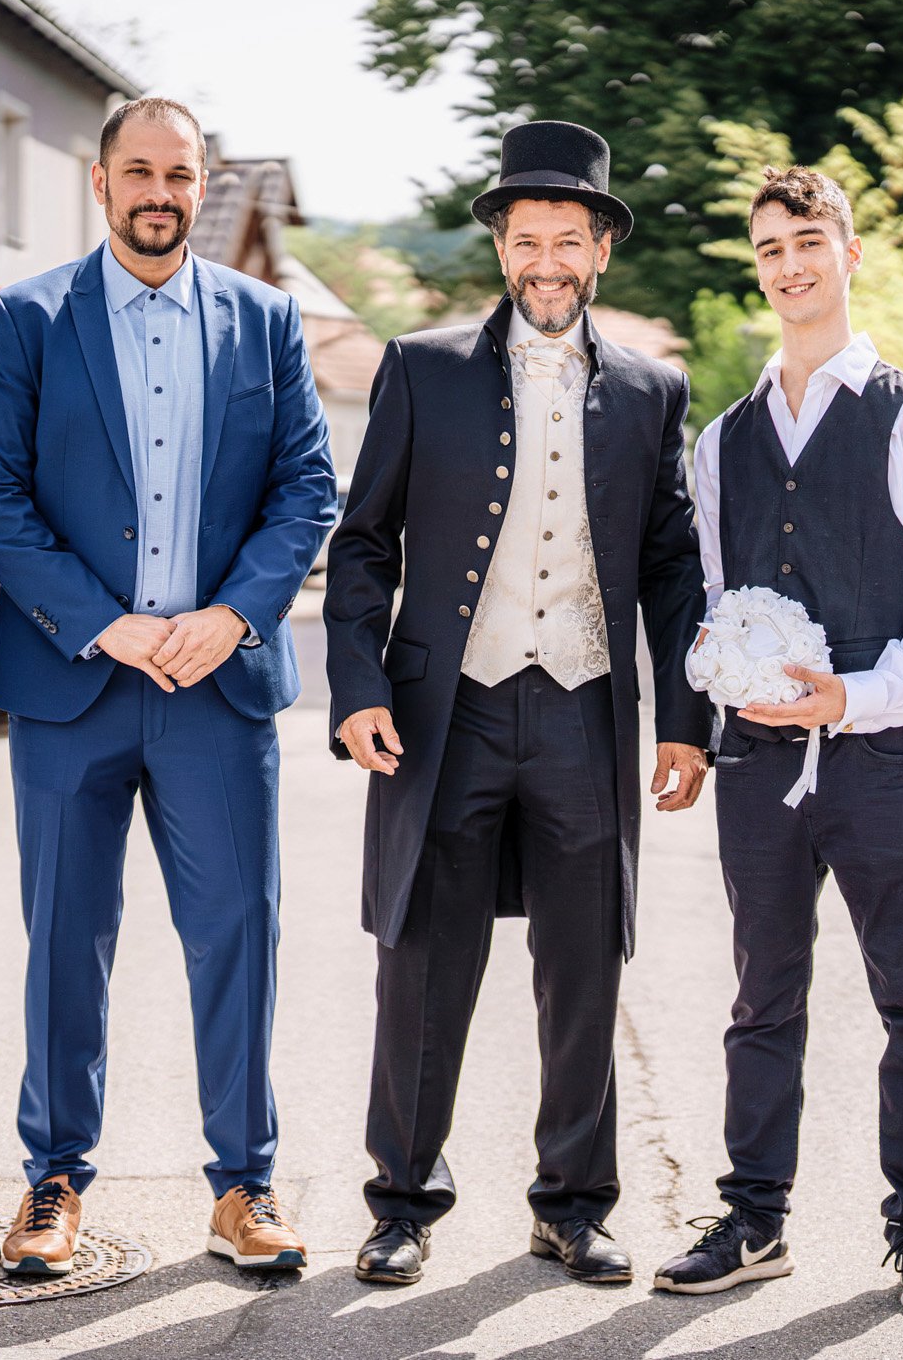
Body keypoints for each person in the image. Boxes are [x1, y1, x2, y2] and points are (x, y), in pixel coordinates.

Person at [325, 120, 712, 1288]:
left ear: (599, 251)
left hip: (584, 713)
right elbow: (361, 548)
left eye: (567, 240)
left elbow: (671, 565)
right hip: (449, 715)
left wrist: (687, 720)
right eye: (524, 239)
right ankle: (401, 1199)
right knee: (423, 962)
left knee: (584, 964)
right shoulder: (420, 367)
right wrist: (355, 690)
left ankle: (573, 1204)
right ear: (501, 246)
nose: (545, 262)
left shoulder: (652, 389)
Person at [0, 97, 336, 1276]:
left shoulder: (266, 320)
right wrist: (105, 625)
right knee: (65, 940)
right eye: (138, 171)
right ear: (100, 182)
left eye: (179, 173)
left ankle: (242, 1189)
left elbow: (306, 488)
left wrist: (229, 618)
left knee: (236, 937)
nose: (158, 191)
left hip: (216, 689)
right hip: (76, 683)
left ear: (203, 183)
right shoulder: (27, 321)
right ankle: (54, 1182)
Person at [653, 167, 903, 1312]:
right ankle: (752, 1220)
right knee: (762, 999)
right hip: (753, 769)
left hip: (876, 761)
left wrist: (854, 698)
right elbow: (706, 600)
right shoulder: (722, 440)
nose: (787, 263)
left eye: (806, 240)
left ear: (849, 252)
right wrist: (699, 722)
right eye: (767, 248)